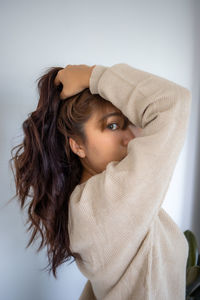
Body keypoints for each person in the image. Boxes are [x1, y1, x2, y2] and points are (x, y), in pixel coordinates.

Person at [10, 63, 191, 300]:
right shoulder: (105, 201)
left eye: (132, 123)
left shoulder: (89, 201)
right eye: (113, 125)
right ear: (77, 145)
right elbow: (173, 102)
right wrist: (91, 75)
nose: (132, 137)